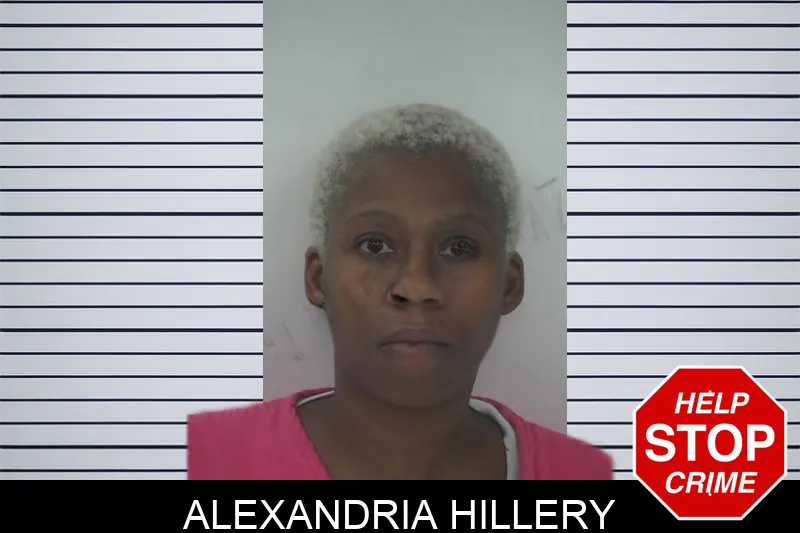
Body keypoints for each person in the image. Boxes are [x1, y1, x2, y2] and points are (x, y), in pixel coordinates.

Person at [187, 103, 613, 480]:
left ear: (509, 283)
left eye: (459, 248)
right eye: (375, 246)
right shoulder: (196, 460)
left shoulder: (590, 476)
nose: (417, 286)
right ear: (318, 279)